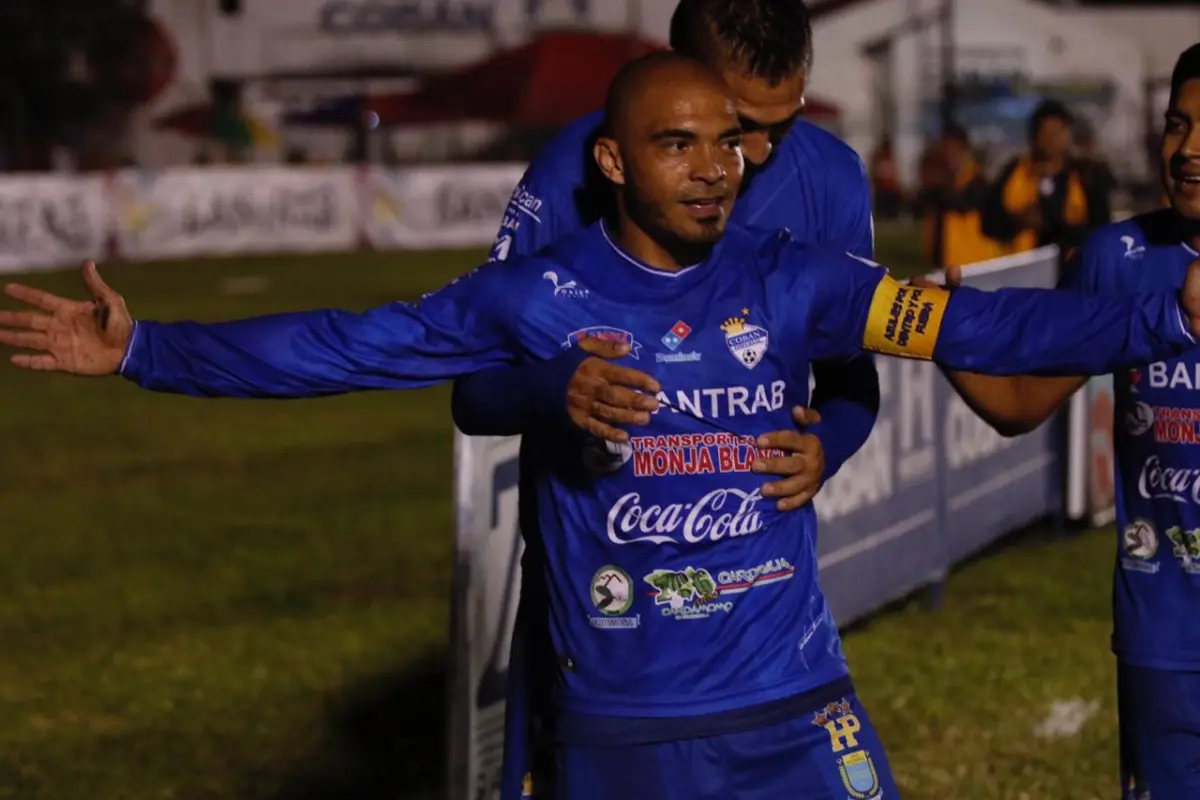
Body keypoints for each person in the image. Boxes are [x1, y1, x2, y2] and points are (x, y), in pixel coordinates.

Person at [4, 53, 1200, 800]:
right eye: (678, 144)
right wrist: (145, 348)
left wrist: (1161, 315)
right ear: (616, 160)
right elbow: (344, 345)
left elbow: (983, 333)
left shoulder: (797, 278)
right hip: (632, 725)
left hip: (798, 698)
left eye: (724, 144)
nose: (712, 169)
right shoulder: (537, 297)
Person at [459, 5, 882, 793]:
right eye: (734, 123)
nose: (750, 157)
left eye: (778, 129)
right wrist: (556, 387)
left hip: (760, 644)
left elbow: (854, 378)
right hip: (602, 622)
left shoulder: (831, 176)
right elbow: (478, 389)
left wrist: (831, 444)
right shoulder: (575, 168)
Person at [912, 44, 1200, 798]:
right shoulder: (1119, 260)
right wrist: (933, 330)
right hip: (1166, 632)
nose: (1190, 150)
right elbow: (1020, 403)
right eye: (1177, 126)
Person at [982, 99, 1110, 257]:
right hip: (1022, 271)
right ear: (1034, 136)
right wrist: (1018, 221)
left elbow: (1101, 232)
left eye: (1057, 132)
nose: (1051, 139)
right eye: (1045, 132)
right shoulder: (1015, 172)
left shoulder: (1086, 176)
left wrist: (1050, 225)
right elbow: (988, 224)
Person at [917, 122, 1001, 269]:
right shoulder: (945, 177)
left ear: (964, 148)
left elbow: (962, 203)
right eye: (944, 147)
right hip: (944, 265)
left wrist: (937, 184)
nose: (947, 152)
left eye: (952, 147)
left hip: (972, 264)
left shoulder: (976, 179)